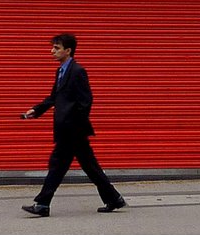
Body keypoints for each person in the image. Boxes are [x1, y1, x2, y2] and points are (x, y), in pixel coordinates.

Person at [20, 33, 126, 217]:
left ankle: (43, 204)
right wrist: (36, 110)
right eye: (53, 47)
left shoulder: (77, 71)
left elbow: (86, 101)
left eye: (56, 48)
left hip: (72, 129)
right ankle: (113, 199)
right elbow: (55, 97)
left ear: (68, 51)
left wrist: (73, 122)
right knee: (89, 166)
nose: (52, 51)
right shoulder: (61, 71)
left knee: (57, 164)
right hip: (69, 130)